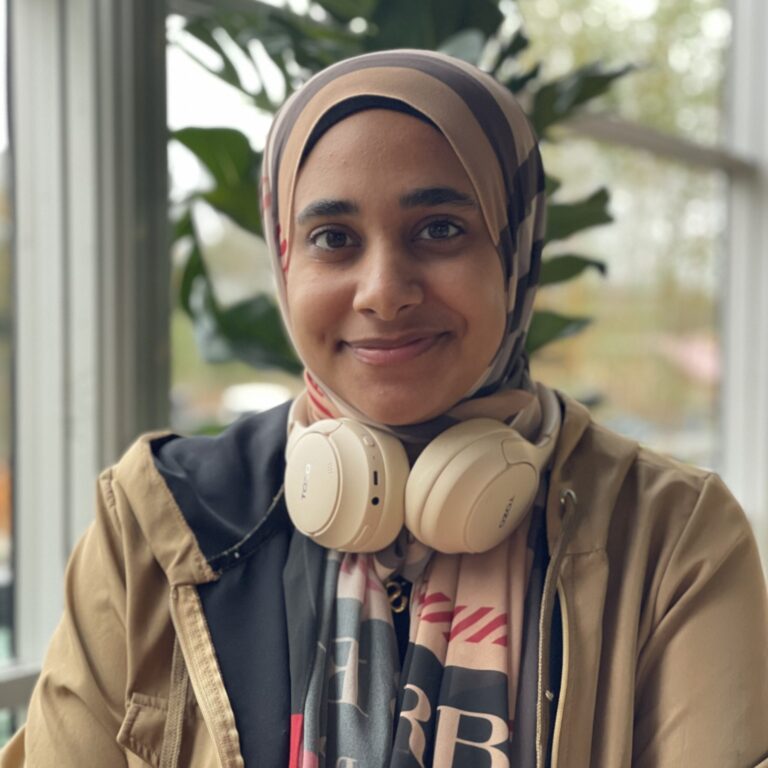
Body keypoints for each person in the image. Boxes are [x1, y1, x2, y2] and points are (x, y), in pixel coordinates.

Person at [2, 49, 767, 768]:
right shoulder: (153, 521)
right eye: (333, 238)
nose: (383, 292)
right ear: (284, 260)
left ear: (513, 250)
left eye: (440, 230)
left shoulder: (672, 536)